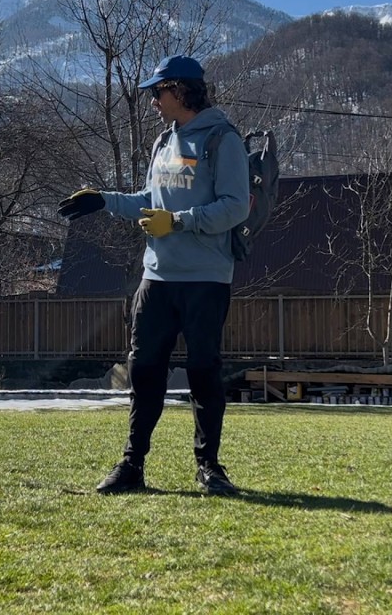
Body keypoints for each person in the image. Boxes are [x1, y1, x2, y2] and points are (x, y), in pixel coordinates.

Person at [57, 55, 250, 495]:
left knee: (203, 371)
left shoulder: (223, 140)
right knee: (143, 371)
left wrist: (177, 222)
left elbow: (235, 205)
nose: (152, 103)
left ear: (180, 91)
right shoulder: (164, 141)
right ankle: (131, 467)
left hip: (205, 279)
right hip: (156, 279)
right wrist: (103, 200)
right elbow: (149, 199)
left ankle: (209, 469)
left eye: (156, 93)